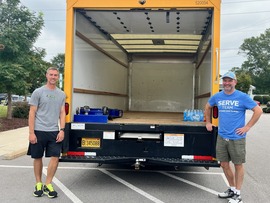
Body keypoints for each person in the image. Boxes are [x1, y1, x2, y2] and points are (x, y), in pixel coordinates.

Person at [205, 71, 262, 203]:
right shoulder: (218, 96)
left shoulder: (242, 97)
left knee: (238, 165)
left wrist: (247, 127)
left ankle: (238, 194)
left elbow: (258, 110)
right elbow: (208, 106)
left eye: (229, 80)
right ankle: (231, 189)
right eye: (224, 80)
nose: (227, 83)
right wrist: (208, 122)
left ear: (235, 82)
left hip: (237, 138)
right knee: (224, 164)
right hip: (222, 136)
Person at [27, 67, 66, 198]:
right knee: (37, 157)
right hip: (38, 130)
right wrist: (31, 132)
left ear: (58, 77)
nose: (53, 77)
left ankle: (48, 184)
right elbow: (32, 112)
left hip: (54, 131)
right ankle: (38, 183)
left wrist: (62, 130)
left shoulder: (61, 94)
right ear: (46, 75)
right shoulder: (38, 92)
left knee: (55, 157)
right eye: (51, 74)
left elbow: (62, 112)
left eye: (56, 75)